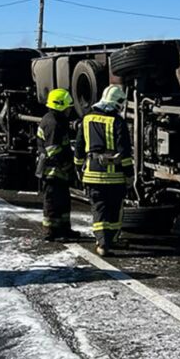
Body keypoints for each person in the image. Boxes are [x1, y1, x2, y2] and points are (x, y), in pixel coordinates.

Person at [74, 85, 134, 256]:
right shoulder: (118, 121)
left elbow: (79, 147)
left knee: (99, 209)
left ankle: (103, 243)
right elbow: (125, 153)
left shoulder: (87, 119)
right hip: (114, 176)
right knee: (115, 209)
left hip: (92, 173)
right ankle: (110, 241)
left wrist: (78, 167)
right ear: (118, 103)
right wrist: (129, 175)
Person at [36, 88, 77, 240]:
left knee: (63, 202)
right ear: (60, 106)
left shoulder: (56, 120)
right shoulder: (52, 123)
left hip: (58, 171)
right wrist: (68, 166)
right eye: (67, 107)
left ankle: (64, 229)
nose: (69, 110)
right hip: (52, 171)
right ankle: (50, 231)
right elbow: (53, 151)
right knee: (52, 202)